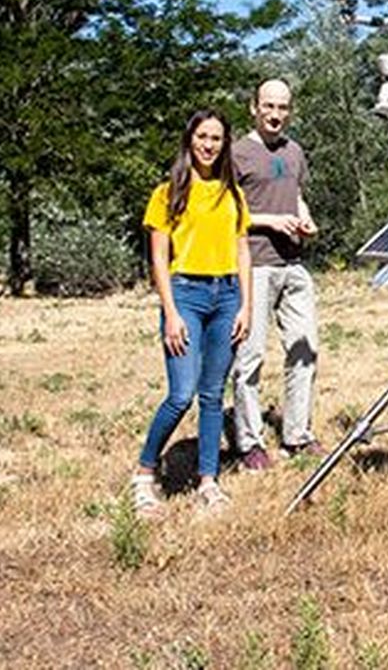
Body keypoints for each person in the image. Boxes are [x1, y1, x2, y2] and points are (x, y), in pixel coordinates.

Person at [132, 110, 252, 516]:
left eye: (217, 138)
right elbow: (159, 258)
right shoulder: (167, 193)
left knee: (213, 395)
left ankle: (207, 481)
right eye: (203, 136)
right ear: (190, 140)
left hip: (227, 296)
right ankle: (145, 472)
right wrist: (171, 312)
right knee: (182, 394)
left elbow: (242, 251)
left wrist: (246, 306)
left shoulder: (232, 194)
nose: (209, 145)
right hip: (185, 294)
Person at [228, 79, 323, 469]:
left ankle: (297, 435)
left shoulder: (295, 151)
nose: (275, 115)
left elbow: (297, 195)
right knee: (249, 358)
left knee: (305, 349)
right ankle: (249, 442)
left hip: (293, 265)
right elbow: (226, 212)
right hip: (255, 265)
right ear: (253, 107)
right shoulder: (237, 154)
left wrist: (304, 218)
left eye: (282, 108)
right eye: (268, 106)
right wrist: (270, 221)